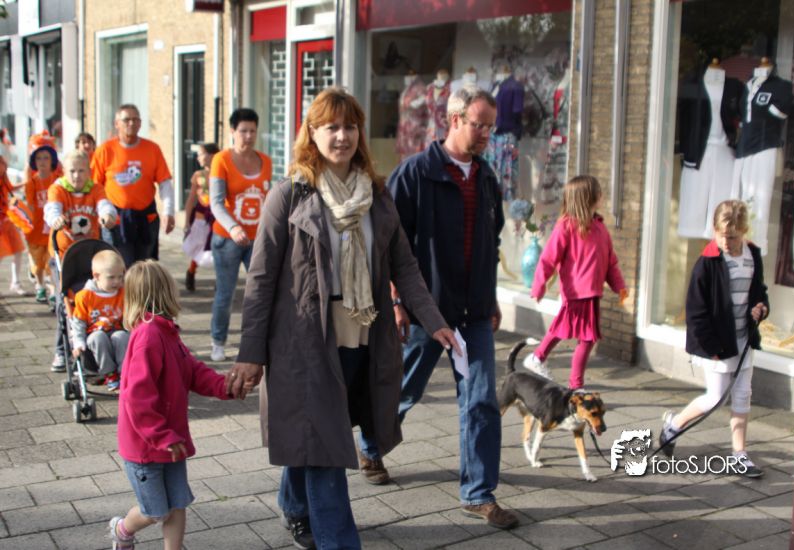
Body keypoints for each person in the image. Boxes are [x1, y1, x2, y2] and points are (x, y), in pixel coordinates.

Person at [226, 87, 460, 549]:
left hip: (363, 337)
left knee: (320, 433)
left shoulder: (378, 195)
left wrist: (434, 321)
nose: (342, 136)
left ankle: (294, 503)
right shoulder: (287, 196)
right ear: (312, 133)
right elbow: (260, 280)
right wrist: (250, 354)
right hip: (304, 344)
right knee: (328, 445)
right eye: (331, 127)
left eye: (350, 126)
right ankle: (338, 540)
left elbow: (404, 266)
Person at [358, 87, 518, 530]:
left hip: (474, 313)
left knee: (481, 401)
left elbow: (490, 241)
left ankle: (478, 494)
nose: (486, 134)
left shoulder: (486, 177)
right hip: (426, 310)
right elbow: (388, 244)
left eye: (490, 126)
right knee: (403, 390)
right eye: (479, 124)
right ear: (454, 119)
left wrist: (490, 297)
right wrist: (397, 300)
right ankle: (371, 446)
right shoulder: (415, 174)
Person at [109, 260, 232, 550]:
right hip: (146, 447)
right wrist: (162, 436)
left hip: (170, 442)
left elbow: (192, 370)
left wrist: (225, 386)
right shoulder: (148, 336)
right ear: (165, 292)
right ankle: (122, 530)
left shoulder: (166, 331)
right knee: (155, 511)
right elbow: (137, 397)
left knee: (177, 503)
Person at [660, 199, 769, 478]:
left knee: (743, 395)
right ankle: (674, 425)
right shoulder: (706, 263)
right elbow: (696, 311)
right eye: (721, 235)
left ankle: (739, 455)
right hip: (718, 344)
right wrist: (711, 348)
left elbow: (759, 291)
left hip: (744, 339)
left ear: (744, 231)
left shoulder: (753, 255)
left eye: (732, 237)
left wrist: (761, 307)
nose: (725, 242)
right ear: (714, 229)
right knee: (716, 398)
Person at [522, 175, 628, 388]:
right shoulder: (566, 227)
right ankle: (572, 383)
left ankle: (540, 360)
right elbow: (548, 259)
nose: (602, 196)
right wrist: (538, 286)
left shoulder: (600, 228)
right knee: (582, 336)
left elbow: (611, 263)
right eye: (598, 193)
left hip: (592, 293)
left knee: (575, 333)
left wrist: (620, 287)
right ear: (587, 198)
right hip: (576, 293)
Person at [43, 149, 117, 372]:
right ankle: (61, 350)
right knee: (64, 302)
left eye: (81, 171)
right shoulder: (58, 189)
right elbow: (51, 208)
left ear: (89, 171)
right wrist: (55, 218)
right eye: (72, 171)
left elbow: (105, 204)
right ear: (64, 172)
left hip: (89, 254)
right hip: (63, 255)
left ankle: (97, 345)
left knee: (94, 299)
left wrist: (108, 216)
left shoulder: (95, 188)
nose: (77, 176)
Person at [208, 109, 272, 362]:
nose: (248, 136)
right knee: (226, 293)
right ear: (233, 131)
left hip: (258, 239)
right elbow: (216, 202)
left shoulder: (266, 161)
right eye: (243, 131)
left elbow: (269, 199)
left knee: (261, 293)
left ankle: (258, 341)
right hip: (228, 239)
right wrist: (233, 227)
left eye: (252, 131)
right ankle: (218, 341)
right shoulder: (221, 160)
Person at [91, 104, 174, 267]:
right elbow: (95, 186)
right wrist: (100, 213)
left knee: (145, 268)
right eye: (126, 119)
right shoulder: (105, 150)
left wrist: (168, 211)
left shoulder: (152, 149)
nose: (131, 123)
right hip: (115, 220)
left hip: (146, 219)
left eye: (136, 119)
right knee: (119, 267)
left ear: (140, 123)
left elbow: (164, 183)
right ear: (117, 124)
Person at [70, 250, 128, 390]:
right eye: (111, 277)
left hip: (116, 330)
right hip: (93, 334)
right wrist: (78, 342)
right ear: (96, 276)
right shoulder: (85, 296)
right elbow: (78, 322)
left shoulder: (123, 293)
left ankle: (124, 372)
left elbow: (129, 316)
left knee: (122, 336)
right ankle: (109, 373)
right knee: (98, 337)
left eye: (120, 277)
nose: (117, 281)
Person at [24, 131, 60, 303]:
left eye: (46, 158)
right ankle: (40, 285)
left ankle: (53, 290)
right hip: (36, 229)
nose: (42, 162)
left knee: (51, 261)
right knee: (38, 264)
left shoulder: (57, 180)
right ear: (34, 162)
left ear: (52, 160)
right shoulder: (31, 182)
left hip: (52, 228)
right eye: (38, 158)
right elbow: (30, 206)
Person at [182, 142, 219, 292]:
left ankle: (220, 279)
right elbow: (191, 199)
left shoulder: (223, 173)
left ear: (211, 155)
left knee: (219, 248)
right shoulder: (198, 175)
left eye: (201, 154)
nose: (198, 158)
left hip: (218, 217)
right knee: (199, 246)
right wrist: (186, 221)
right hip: (201, 216)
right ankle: (191, 271)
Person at [0, 156, 26, 295]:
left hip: (8, 220)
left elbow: (10, 188)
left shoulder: (4, 179)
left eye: (3, 164)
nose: (3, 166)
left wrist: (24, 183)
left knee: (18, 250)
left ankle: (15, 282)